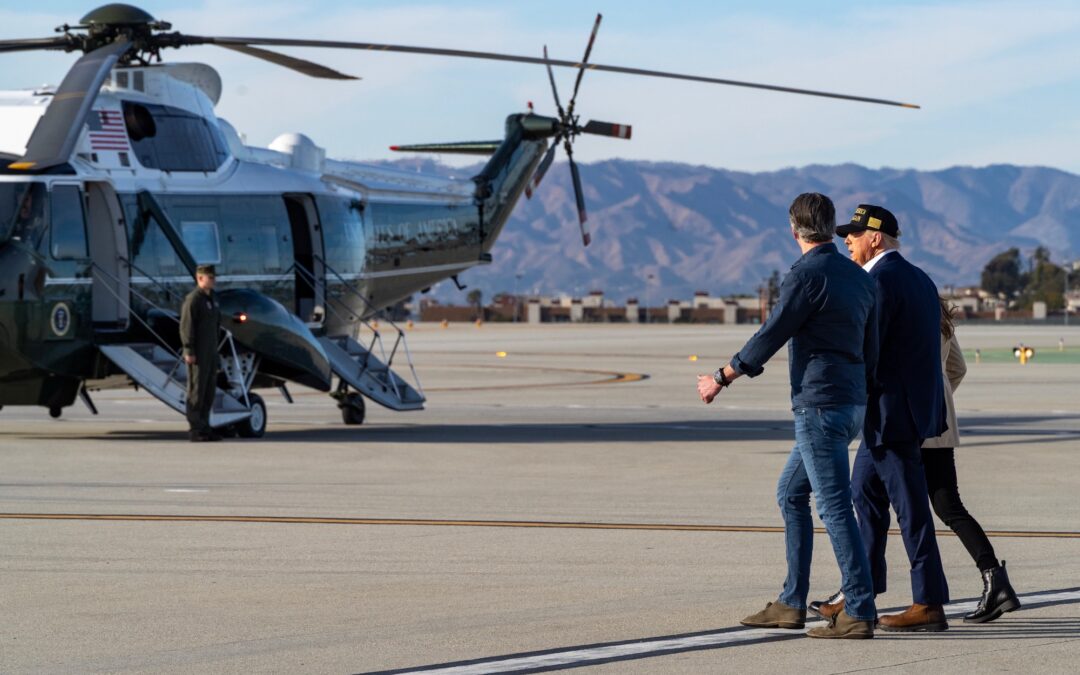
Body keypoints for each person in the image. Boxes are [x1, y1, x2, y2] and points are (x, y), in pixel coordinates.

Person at [697, 193, 879, 639]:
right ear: (831, 225)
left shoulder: (806, 275)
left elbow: (773, 331)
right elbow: (872, 346)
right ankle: (791, 602)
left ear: (793, 229)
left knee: (834, 508)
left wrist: (723, 375)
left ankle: (859, 608)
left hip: (819, 405)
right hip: (851, 402)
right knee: (790, 494)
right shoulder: (858, 278)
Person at [812, 204, 951, 632]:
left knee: (910, 508)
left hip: (891, 416)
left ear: (876, 238)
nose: (847, 240)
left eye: (854, 234)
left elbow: (869, 350)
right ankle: (861, 592)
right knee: (864, 495)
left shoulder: (879, 280)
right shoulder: (920, 278)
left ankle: (927, 603)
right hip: (900, 412)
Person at [922, 298, 1020, 623]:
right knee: (950, 507)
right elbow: (957, 369)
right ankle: (994, 579)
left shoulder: (903, 304)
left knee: (873, 504)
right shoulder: (936, 311)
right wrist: (939, 397)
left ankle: (858, 592)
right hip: (940, 426)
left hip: (910, 427)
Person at [180, 264, 222, 442]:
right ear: (199, 278)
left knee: (209, 390)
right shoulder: (193, 300)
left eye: (213, 277)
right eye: (209, 277)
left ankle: (205, 426)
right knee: (196, 391)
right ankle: (196, 429)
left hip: (211, 351)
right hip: (198, 352)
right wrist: (189, 349)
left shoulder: (213, 298)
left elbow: (216, 325)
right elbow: (186, 326)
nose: (212, 280)